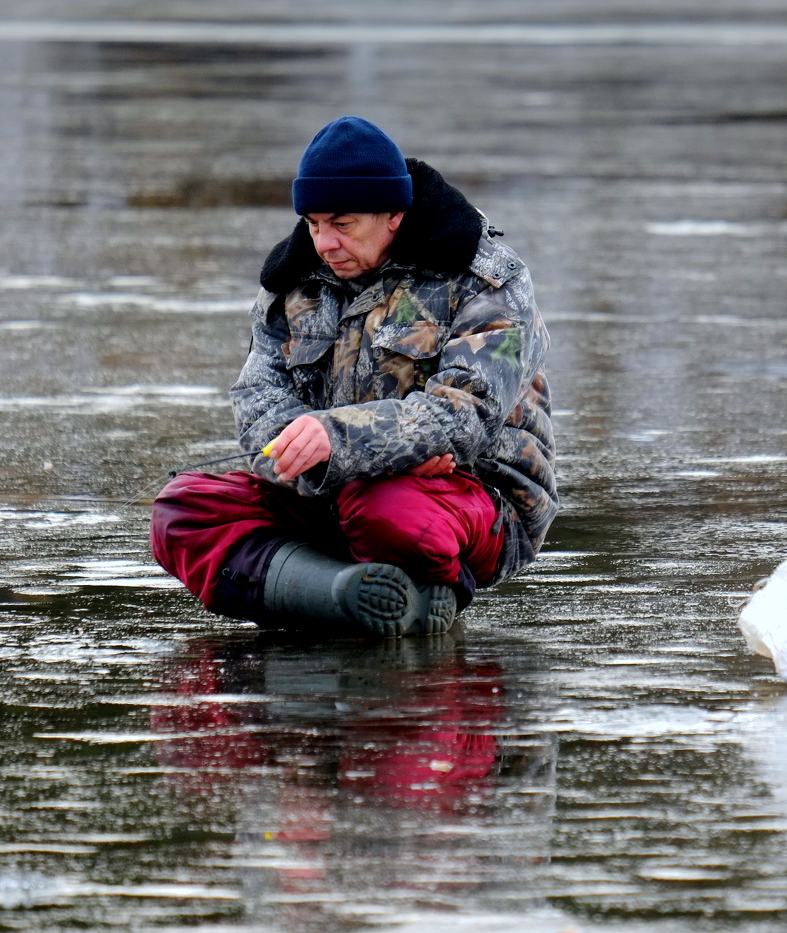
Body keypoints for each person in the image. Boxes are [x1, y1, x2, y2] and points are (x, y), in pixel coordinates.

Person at [150, 116, 557, 638]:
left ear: (394, 215)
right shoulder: (289, 285)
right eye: (314, 224)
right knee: (182, 511)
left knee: (383, 507)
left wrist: (339, 440)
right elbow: (258, 398)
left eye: (342, 225)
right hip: (324, 494)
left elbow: (467, 412)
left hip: (470, 496)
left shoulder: (485, 280)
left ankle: (429, 583)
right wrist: (304, 456)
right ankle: (346, 596)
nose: (325, 243)